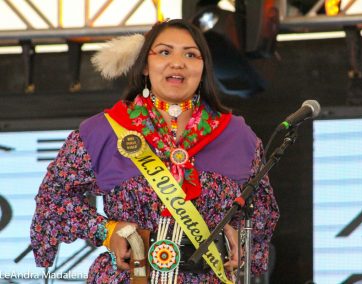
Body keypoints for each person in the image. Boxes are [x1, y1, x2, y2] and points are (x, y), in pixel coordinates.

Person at [30, 19, 279, 283]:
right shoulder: (105, 131)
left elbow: (261, 209)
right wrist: (106, 230)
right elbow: (53, 198)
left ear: (203, 68)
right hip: (130, 276)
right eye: (164, 52)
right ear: (145, 66)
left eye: (191, 54)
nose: (177, 62)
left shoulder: (237, 136)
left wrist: (240, 235)